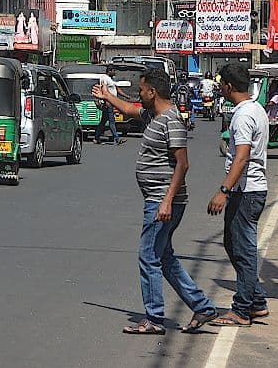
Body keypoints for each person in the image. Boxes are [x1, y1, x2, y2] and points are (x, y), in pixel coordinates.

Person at [94, 70, 219, 335]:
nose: (139, 95)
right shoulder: (154, 116)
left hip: (163, 200)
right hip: (158, 198)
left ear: (152, 92)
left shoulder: (171, 120)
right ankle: (202, 306)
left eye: (141, 90)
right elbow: (129, 110)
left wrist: (166, 202)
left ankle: (154, 318)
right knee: (164, 256)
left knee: (148, 256)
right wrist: (107, 96)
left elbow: (183, 164)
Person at [207, 60, 269, 327]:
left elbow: (242, 157)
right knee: (233, 244)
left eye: (221, 85)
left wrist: (224, 190)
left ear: (228, 86)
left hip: (246, 191)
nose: (219, 89)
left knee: (243, 249)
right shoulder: (256, 109)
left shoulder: (243, 116)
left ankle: (242, 309)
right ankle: (255, 301)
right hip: (251, 189)